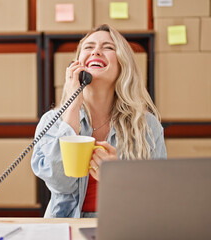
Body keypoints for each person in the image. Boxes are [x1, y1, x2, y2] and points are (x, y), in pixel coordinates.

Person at [31, 24, 167, 218]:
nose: (96, 51)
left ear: (122, 64)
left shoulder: (146, 125)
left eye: (108, 47)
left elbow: (158, 192)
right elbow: (60, 182)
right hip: (67, 228)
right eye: (88, 47)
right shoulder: (52, 121)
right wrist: (72, 107)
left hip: (123, 227)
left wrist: (119, 176)